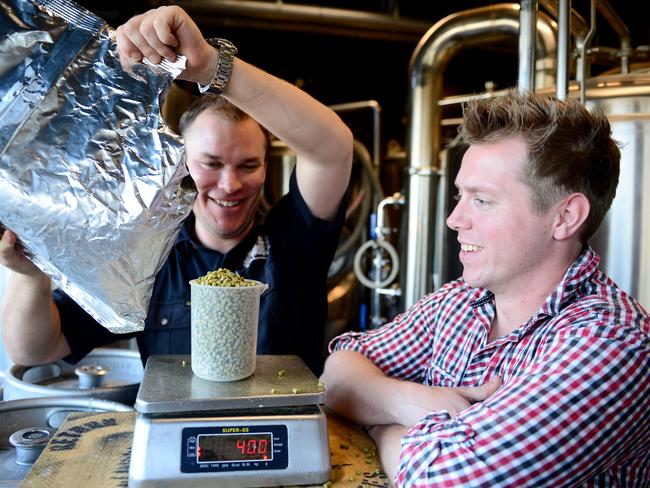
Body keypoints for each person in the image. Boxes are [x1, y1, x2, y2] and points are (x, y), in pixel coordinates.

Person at [0, 6, 352, 375]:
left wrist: (210, 67)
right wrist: (31, 276)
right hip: (174, 430)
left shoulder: (293, 241)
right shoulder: (143, 255)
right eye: (211, 164)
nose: (230, 185)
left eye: (248, 165)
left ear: (266, 167)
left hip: (283, 428)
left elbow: (333, 149)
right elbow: (36, 350)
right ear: (181, 164)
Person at [320, 92, 650, 486]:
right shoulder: (462, 301)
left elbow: (444, 480)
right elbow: (337, 374)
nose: (455, 219)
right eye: (462, 195)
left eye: (482, 200)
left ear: (565, 217)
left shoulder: (612, 343)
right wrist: (410, 402)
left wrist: (381, 427)